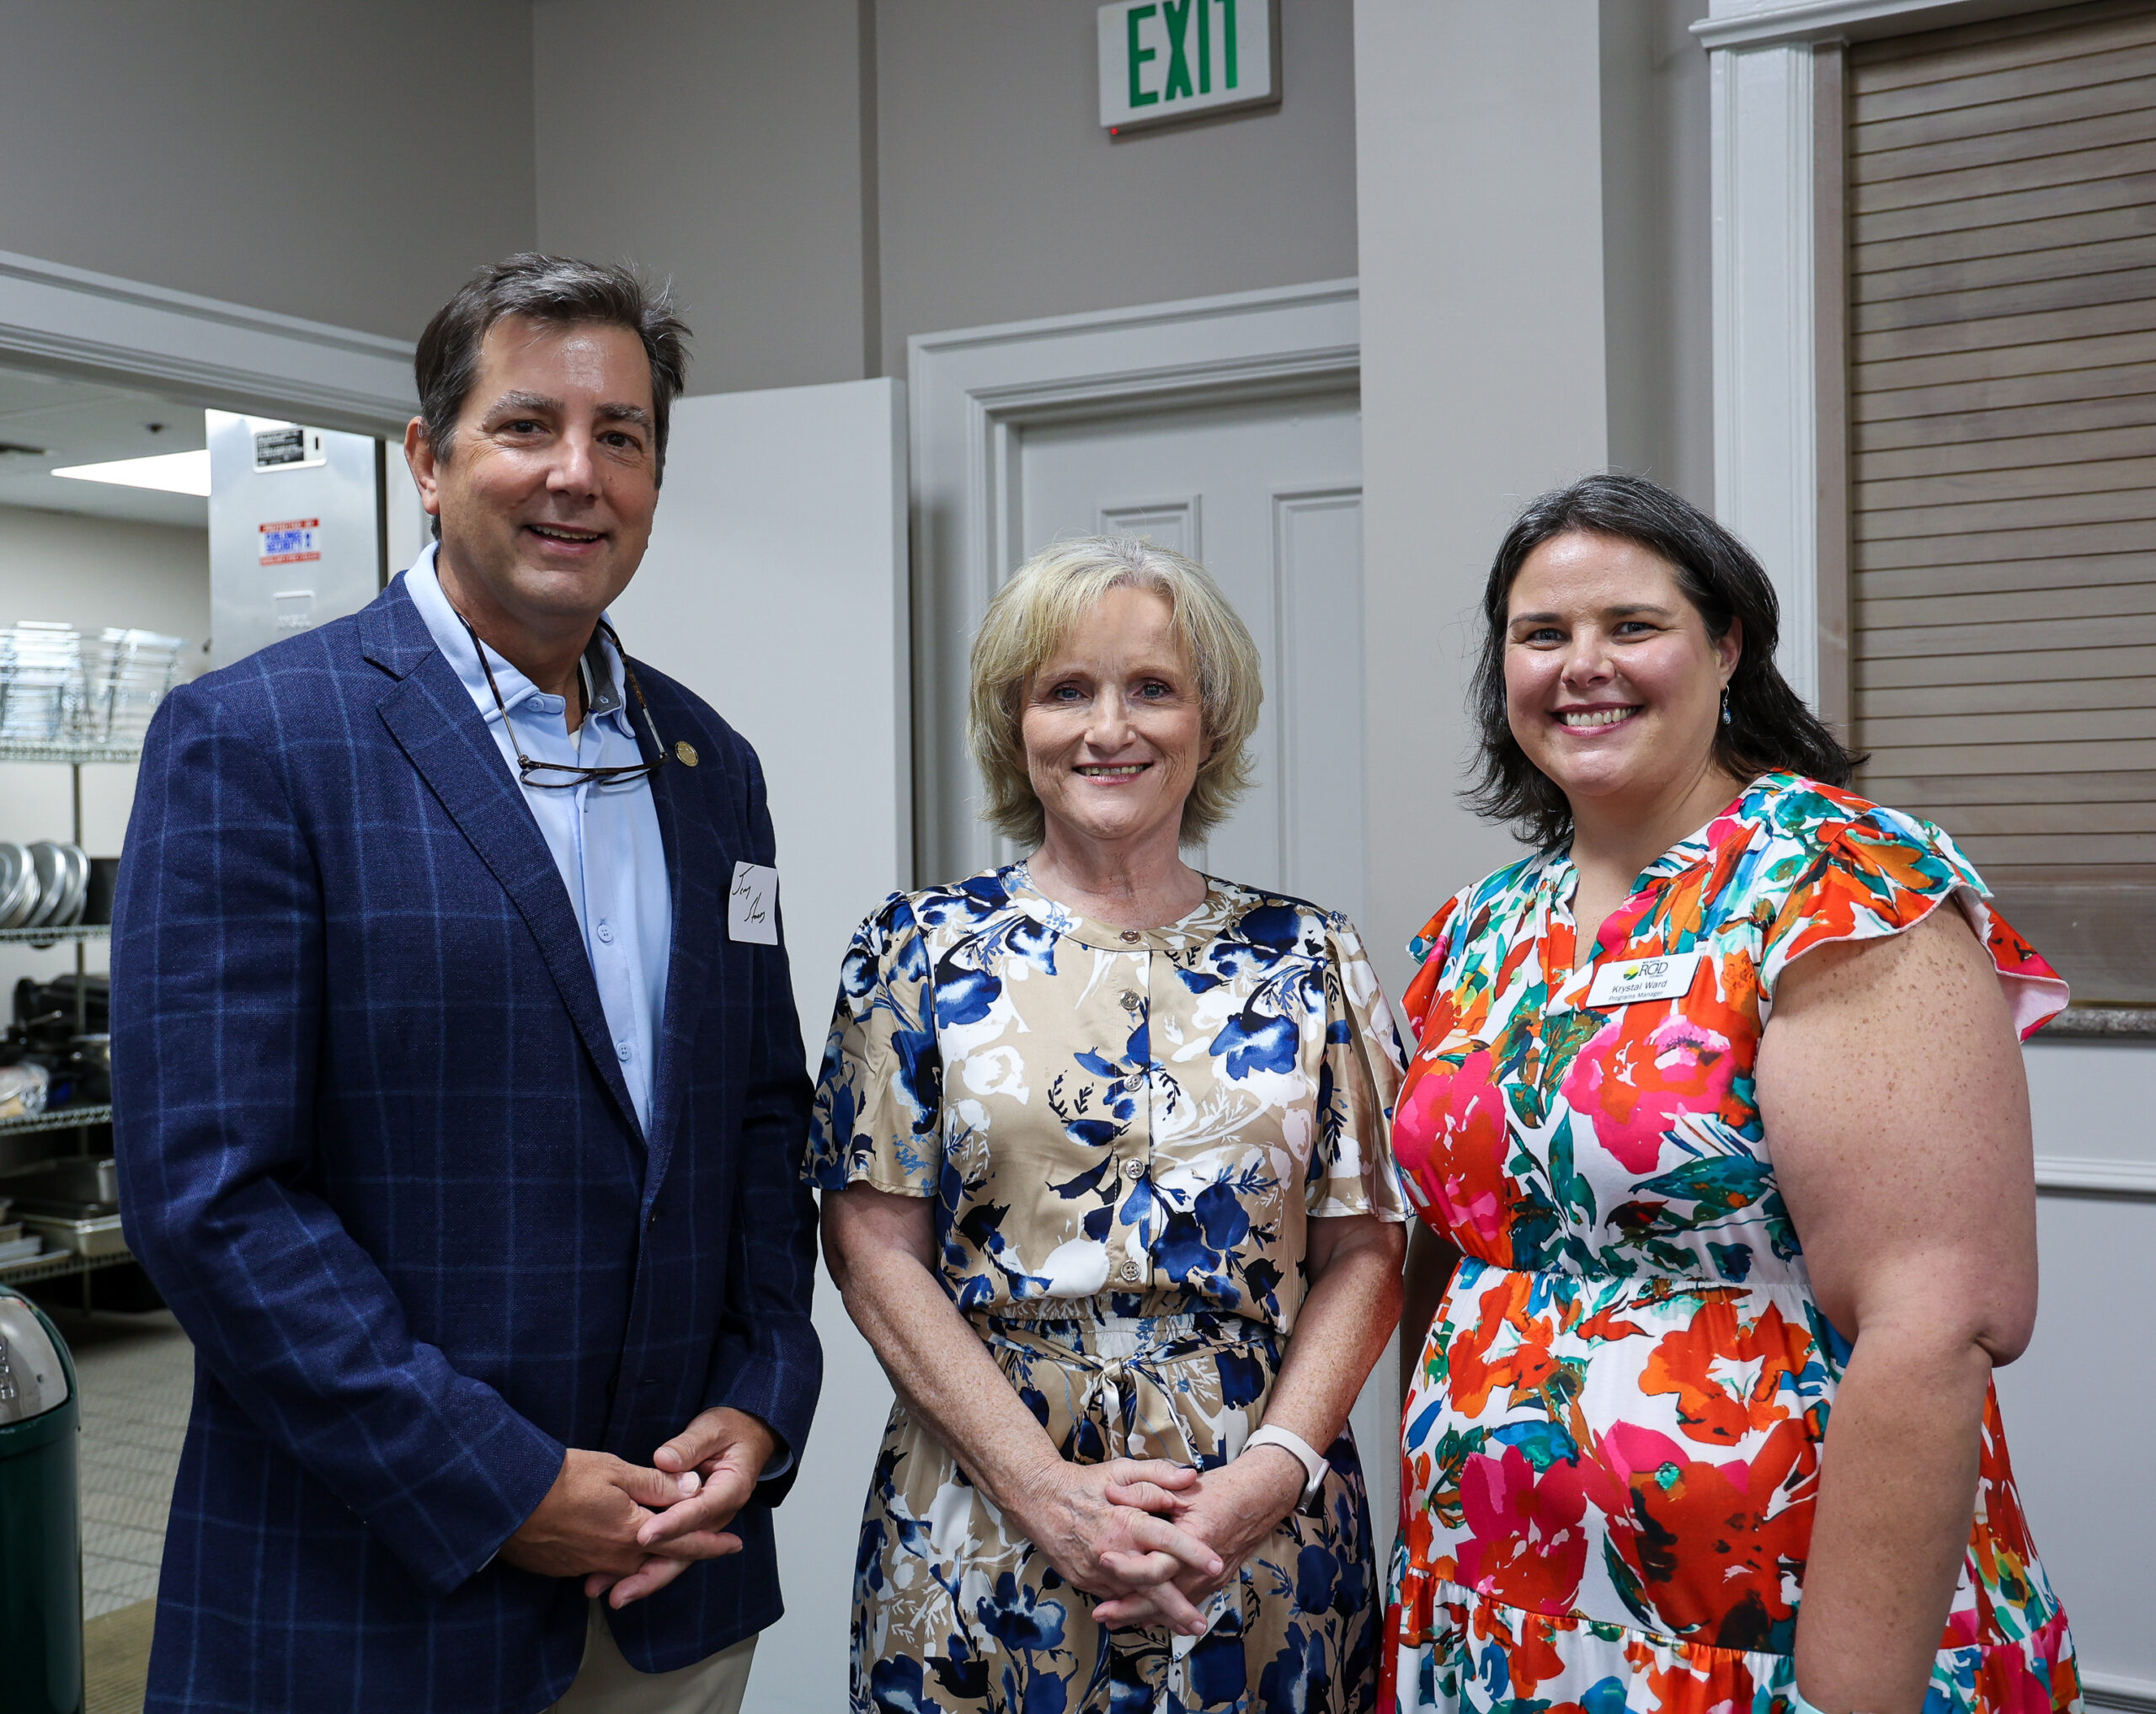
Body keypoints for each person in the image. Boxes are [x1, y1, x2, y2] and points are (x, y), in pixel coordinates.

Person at [112, 255, 821, 1714]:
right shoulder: (256, 744)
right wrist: (497, 1482)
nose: (578, 475)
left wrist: (761, 1401)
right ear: (430, 461)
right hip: (376, 1594)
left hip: (673, 1589)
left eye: (620, 435)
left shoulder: (710, 767)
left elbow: (760, 1121)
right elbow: (214, 1199)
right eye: (527, 426)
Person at [1379, 473, 2082, 1714]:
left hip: (1764, 1633)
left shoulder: (1838, 890)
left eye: (1631, 627)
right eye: (1542, 636)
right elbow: (1449, 1249)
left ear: (1726, 646)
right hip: (1488, 1606)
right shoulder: (1479, 926)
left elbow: (1939, 1322)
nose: (1581, 666)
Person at [809, 537, 1410, 1713]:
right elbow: (871, 1251)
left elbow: (1368, 1250)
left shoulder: (1311, 957)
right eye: (1066, 690)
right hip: (985, 1527)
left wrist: (1271, 1475)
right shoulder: (917, 951)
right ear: (1013, 722)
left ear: (1211, 721)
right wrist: (1042, 1489)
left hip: (1254, 1527)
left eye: (1152, 689)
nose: (1109, 728)